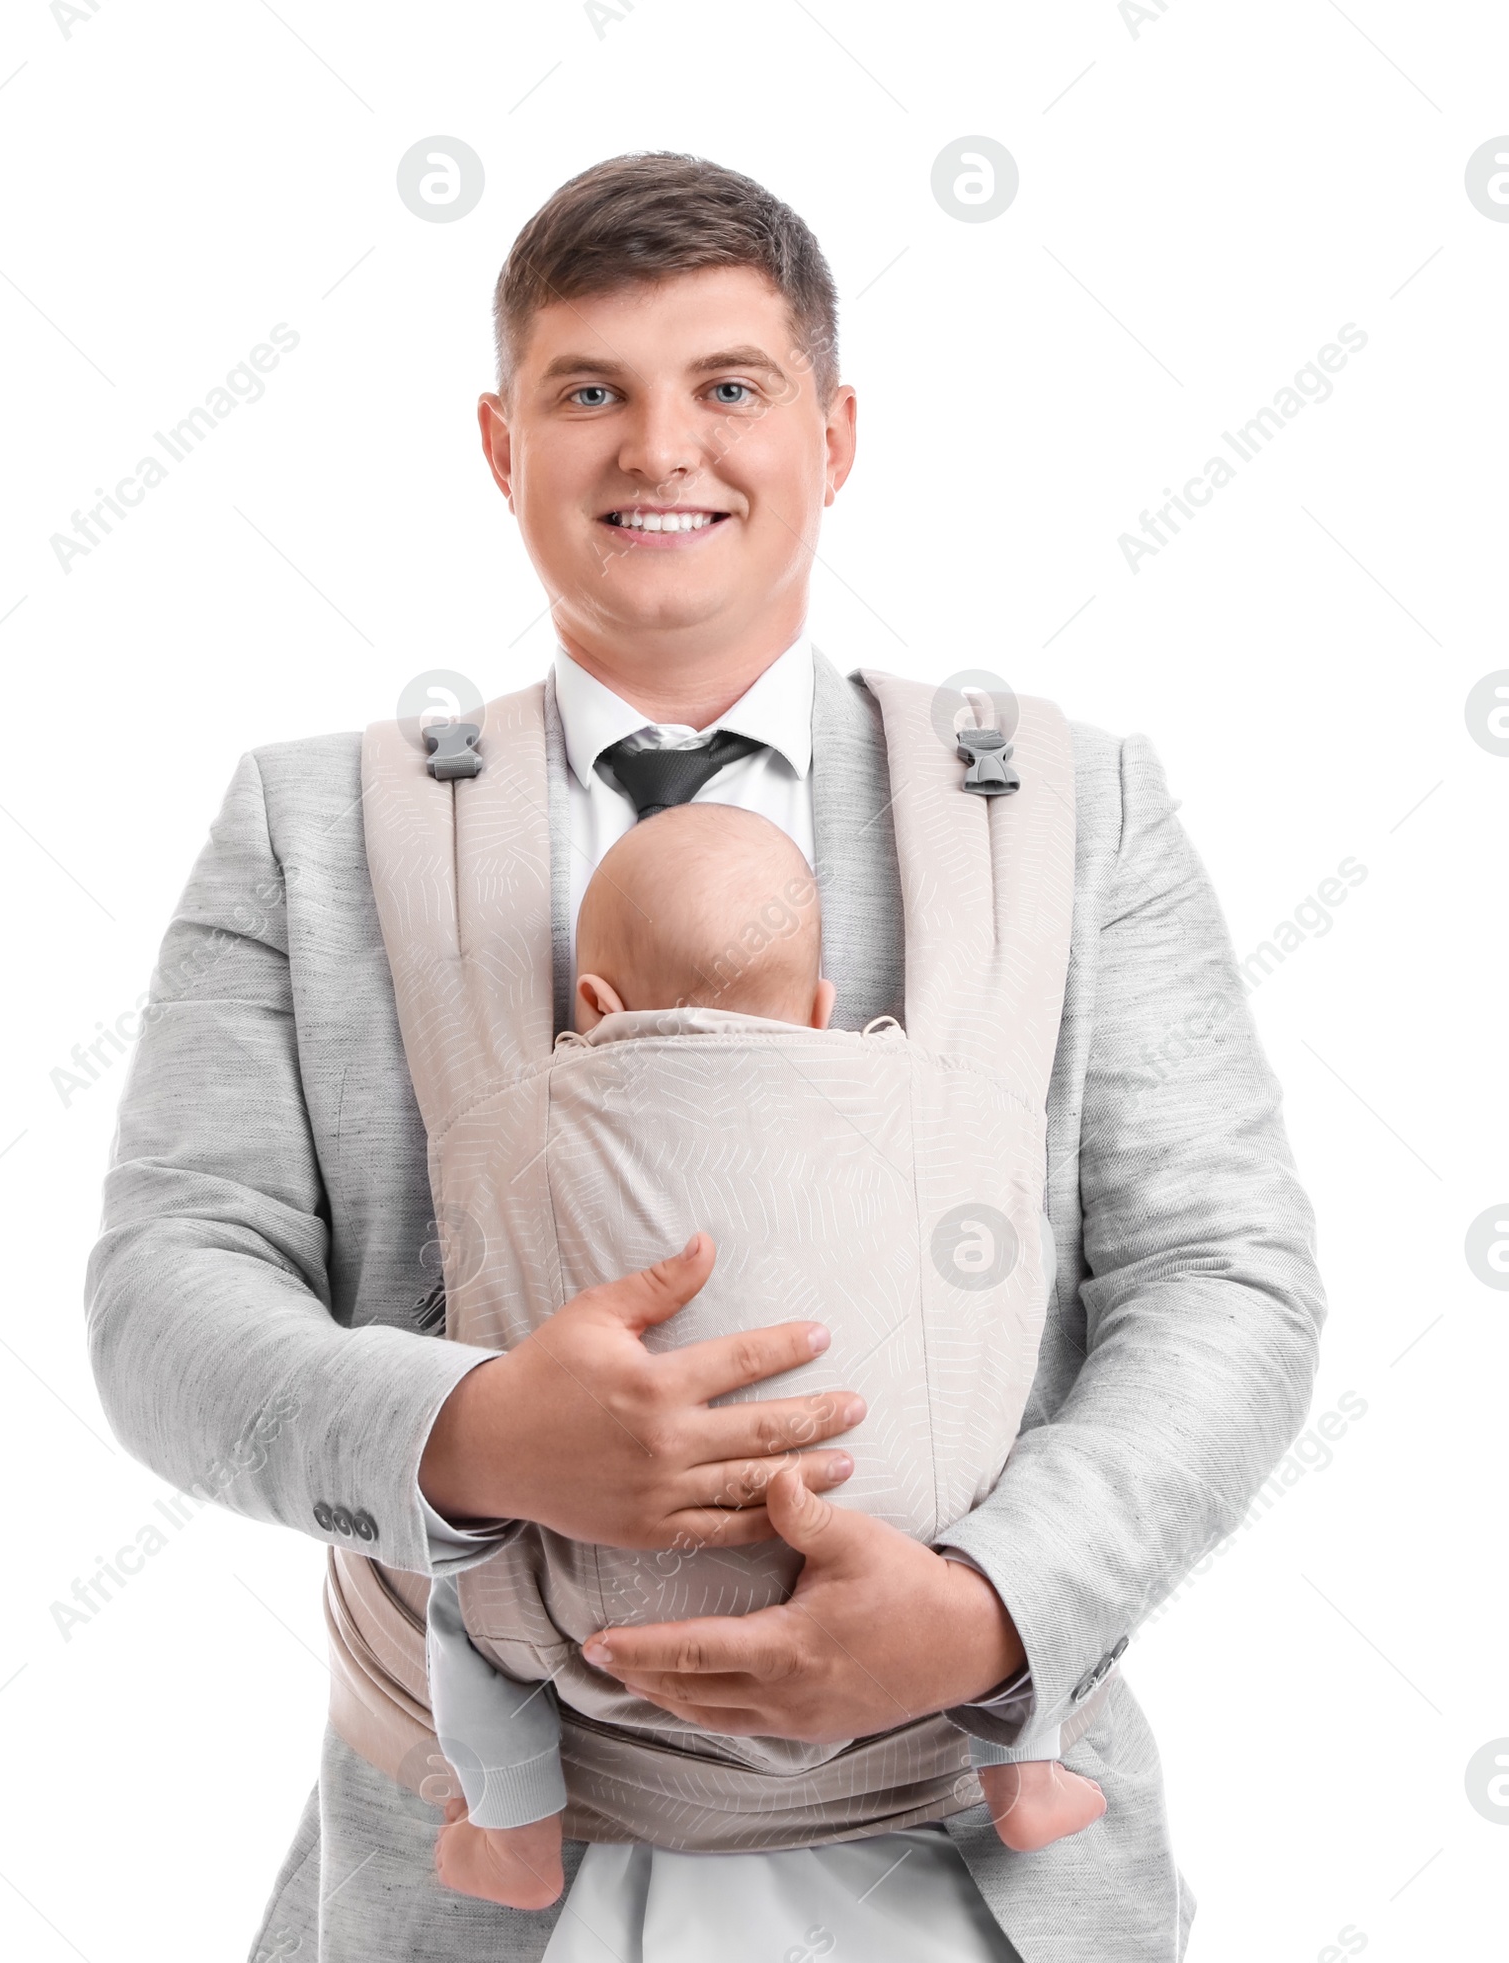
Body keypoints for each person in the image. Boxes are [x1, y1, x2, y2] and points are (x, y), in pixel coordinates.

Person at [86, 152, 1324, 1961]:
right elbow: (164, 1300)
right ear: (505, 448)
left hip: (974, 1874)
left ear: (833, 436)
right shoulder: (316, 832)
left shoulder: (1066, 812)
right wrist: (470, 1429)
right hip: (468, 1865)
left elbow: (1228, 1276)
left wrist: (992, 1605)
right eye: (591, 392)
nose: (662, 449)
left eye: (728, 387)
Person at [426, 802, 1106, 1910]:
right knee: (1006, 1509)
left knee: (458, 1590)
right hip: (902, 1528)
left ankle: (512, 1827)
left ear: (592, 1005)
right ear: (822, 1010)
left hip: (599, 1610)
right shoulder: (914, 1102)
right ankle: (1024, 1765)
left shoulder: (517, 1124)